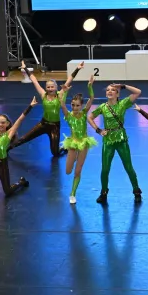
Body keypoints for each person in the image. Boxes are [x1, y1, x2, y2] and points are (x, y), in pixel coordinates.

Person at [88, 83, 143, 204]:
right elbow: (90, 117)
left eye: (113, 90)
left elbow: (138, 91)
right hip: (108, 140)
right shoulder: (102, 107)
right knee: (105, 169)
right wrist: (98, 130)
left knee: (128, 167)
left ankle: (136, 190)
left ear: (117, 93)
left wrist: (122, 85)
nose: (109, 91)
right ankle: (103, 192)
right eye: (107, 90)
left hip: (121, 139)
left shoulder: (123, 104)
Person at [9, 60, 69, 157]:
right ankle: (8, 148)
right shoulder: (43, 94)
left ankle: (65, 148)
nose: (50, 89)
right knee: (24, 138)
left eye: (52, 87)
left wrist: (77, 69)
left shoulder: (60, 95)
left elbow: (69, 79)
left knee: (55, 153)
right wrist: (24, 68)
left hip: (55, 127)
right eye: (48, 87)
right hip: (43, 124)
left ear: (56, 87)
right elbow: (34, 80)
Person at [60, 73, 97, 204]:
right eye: (73, 105)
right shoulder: (68, 115)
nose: (75, 108)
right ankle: (71, 157)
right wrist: (64, 92)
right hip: (73, 142)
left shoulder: (84, 113)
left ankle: (72, 193)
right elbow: (62, 104)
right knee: (68, 171)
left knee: (78, 170)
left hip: (84, 143)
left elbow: (92, 98)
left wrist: (90, 86)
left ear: (81, 106)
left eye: (77, 105)